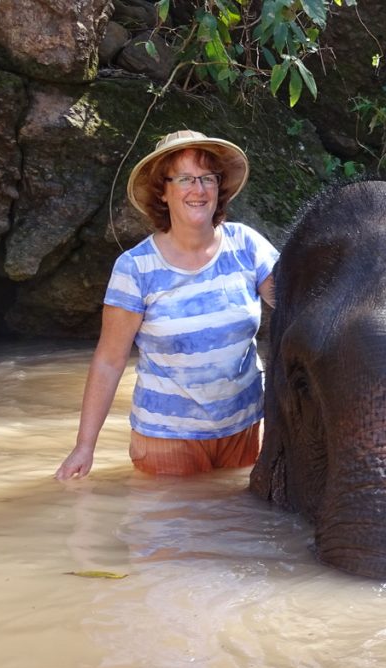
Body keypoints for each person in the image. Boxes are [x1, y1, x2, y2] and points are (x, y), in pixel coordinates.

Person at [55, 130, 279, 479]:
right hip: (167, 439)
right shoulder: (136, 267)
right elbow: (109, 361)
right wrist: (85, 446)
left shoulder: (247, 245)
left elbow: (297, 300)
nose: (198, 189)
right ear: (163, 190)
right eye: (185, 179)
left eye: (208, 178)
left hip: (245, 428)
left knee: (240, 514)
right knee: (172, 515)